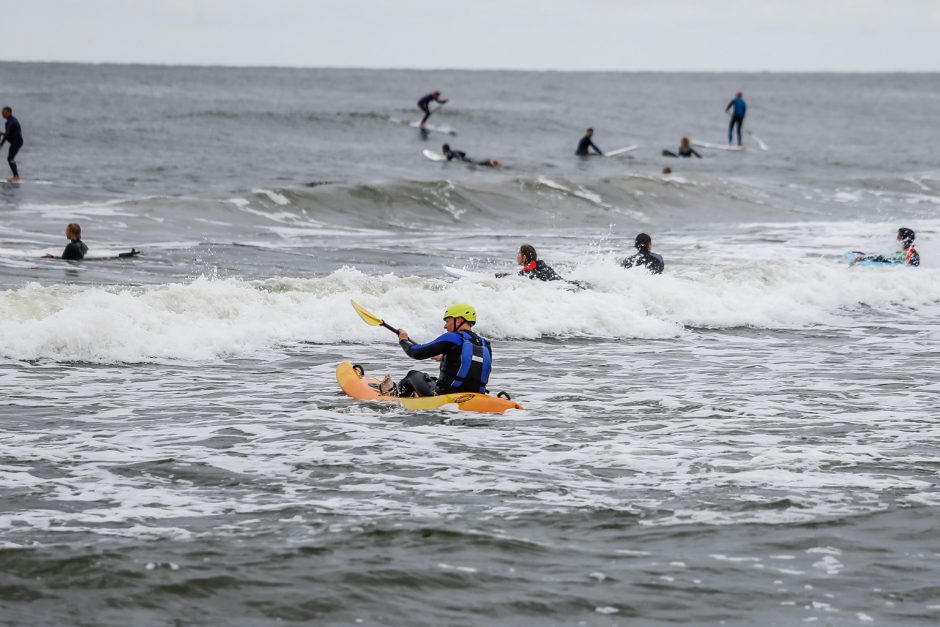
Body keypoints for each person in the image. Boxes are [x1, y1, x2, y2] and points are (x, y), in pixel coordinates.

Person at [380, 304, 492, 397]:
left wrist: (403, 340)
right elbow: (473, 363)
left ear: (459, 321)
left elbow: (416, 353)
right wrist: (444, 357)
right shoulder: (485, 344)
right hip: (476, 394)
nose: (445, 326)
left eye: (448, 321)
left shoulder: (452, 337)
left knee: (413, 375)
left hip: (446, 394)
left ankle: (393, 398)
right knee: (432, 379)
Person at [851, 227, 920, 267]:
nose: (896, 237)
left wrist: (864, 258)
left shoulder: (905, 252)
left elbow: (883, 259)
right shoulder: (913, 251)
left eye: (898, 234)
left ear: (902, 237)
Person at [496, 244, 564, 281]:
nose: (517, 256)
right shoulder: (541, 265)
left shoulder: (528, 271)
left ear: (524, 257)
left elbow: (517, 277)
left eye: (519, 253)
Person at [0, 106, 24, 182]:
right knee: (10, 158)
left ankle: (16, 176)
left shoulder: (11, 122)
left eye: (4, 113)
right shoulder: (11, 120)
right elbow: (9, 134)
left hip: (16, 142)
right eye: (2, 113)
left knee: (10, 158)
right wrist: (2, 134)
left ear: (9, 112)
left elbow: (7, 134)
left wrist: (1, 144)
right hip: (16, 141)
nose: (2, 114)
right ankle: (16, 176)